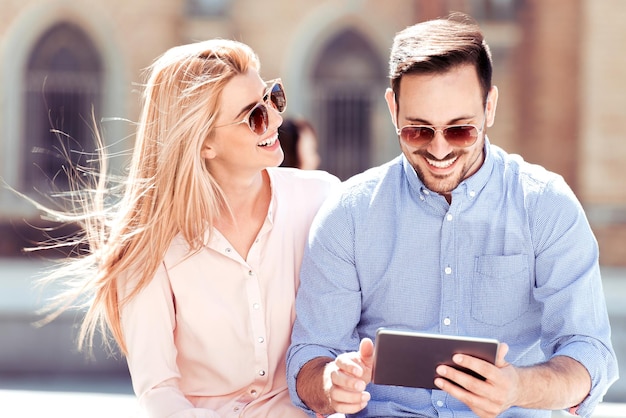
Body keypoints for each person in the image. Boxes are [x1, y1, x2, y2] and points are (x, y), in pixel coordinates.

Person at [286, 14, 618, 418]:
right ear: (393, 109)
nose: (439, 151)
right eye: (418, 131)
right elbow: (310, 355)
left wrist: (517, 387)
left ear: (489, 106)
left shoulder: (545, 206)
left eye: (460, 130)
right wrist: (330, 383)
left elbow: (589, 353)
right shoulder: (349, 213)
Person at [34, 39, 339, 417]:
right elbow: (159, 390)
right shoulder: (147, 245)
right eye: (254, 116)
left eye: (272, 97)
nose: (276, 120)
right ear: (205, 142)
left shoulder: (323, 200)